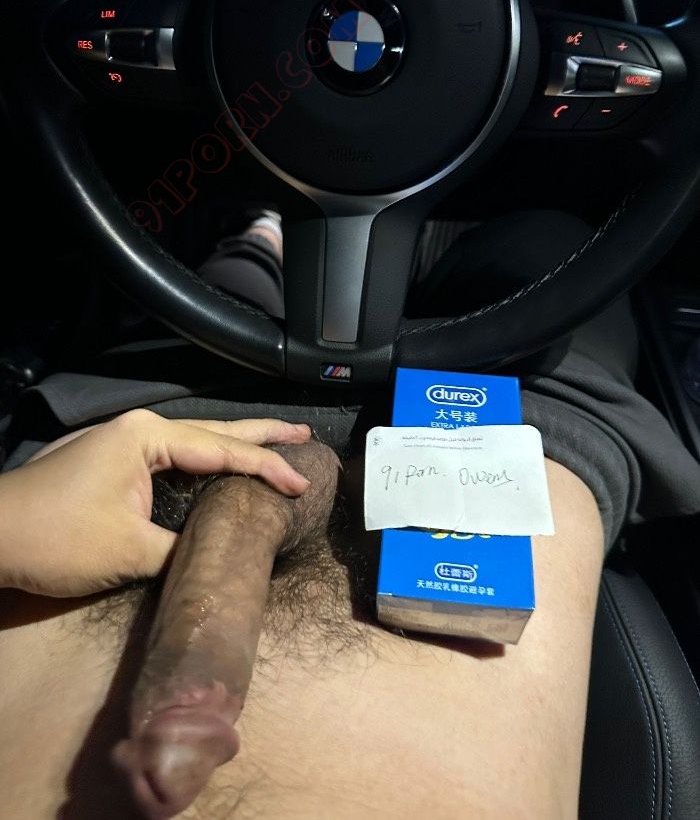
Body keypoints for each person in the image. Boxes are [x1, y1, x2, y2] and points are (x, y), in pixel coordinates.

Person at [1, 209, 700, 818]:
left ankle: (263, 238)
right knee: (552, 248)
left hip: (153, 410)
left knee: (207, 288)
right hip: (507, 415)